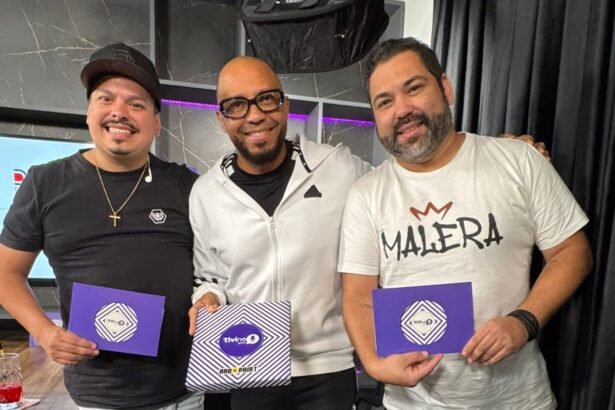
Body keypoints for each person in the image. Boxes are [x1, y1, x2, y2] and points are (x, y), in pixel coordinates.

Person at [338, 37, 593, 409]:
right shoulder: (366, 194)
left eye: (414, 88)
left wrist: (524, 321)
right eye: (385, 101)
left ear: (445, 88)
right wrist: (376, 365)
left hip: (518, 399)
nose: (402, 109)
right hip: (412, 403)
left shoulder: (517, 160)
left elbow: (572, 251)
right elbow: (358, 297)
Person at [0, 43, 203, 410]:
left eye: (136, 104)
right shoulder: (45, 183)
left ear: (156, 123)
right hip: (96, 395)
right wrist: (45, 332)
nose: (119, 112)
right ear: (89, 111)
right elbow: (5, 272)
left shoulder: (187, 186)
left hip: (184, 392)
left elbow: (215, 268)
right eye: (106, 98)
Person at [188, 56, 371, 410]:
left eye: (266, 98)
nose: (255, 115)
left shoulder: (339, 168)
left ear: (285, 105)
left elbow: (398, 188)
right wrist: (207, 298)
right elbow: (211, 278)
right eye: (236, 105)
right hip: (247, 363)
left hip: (329, 367)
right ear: (221, 119)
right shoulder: (205, 193)